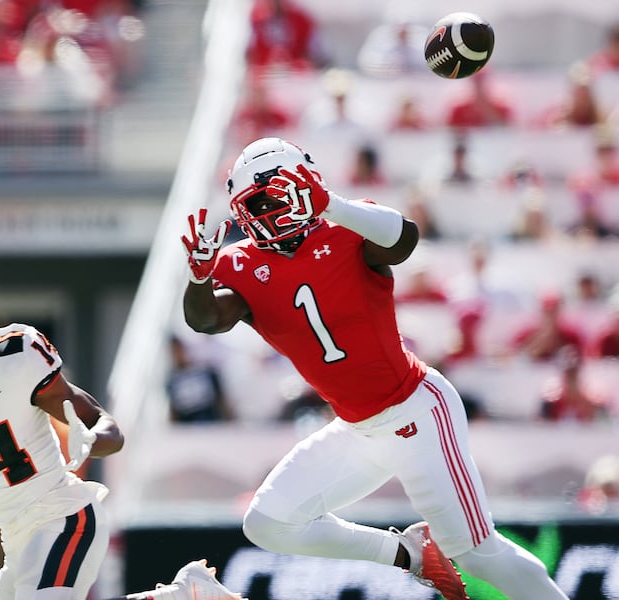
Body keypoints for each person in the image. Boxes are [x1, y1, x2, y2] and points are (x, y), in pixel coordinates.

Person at [180, 137, 569, 600]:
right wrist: (199, 278)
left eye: (273, 197)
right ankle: (409, 553)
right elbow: (205, 320)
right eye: (255, 203)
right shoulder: (239, 263)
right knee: (267, 522)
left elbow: (404, 238)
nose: (266, 211)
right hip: (359, 429)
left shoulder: (347, 228)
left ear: (305, 187)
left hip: (417, 413)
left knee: (477, 552)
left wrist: (331, 205)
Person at [0, 247, 244, 600]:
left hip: (63, 514)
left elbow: (104, 424)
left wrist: (93, 439)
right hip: (14, 534)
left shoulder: (16, 353)